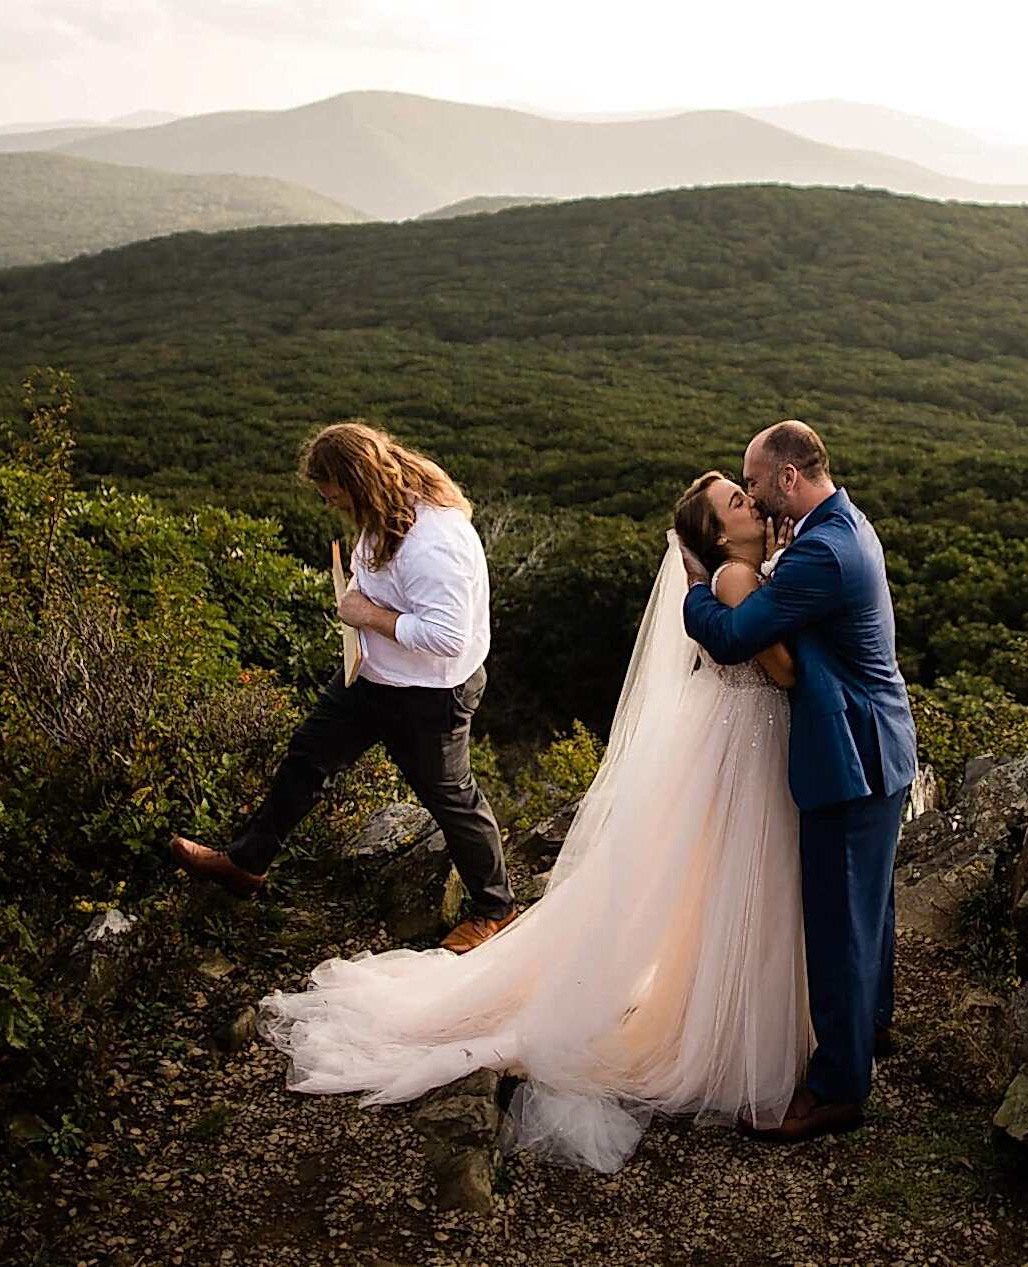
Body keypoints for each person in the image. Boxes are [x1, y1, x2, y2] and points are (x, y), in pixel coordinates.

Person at [252, 470, 808, 1171]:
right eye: (738, 500)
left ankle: (719, 1006)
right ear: (721, 535)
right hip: (742, 743)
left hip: (736, 738)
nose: (752, 502)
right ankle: (724, 1022)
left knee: (717, 883)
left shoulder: (739, 572)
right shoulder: (737, 581)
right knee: (736, 877)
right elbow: (785, 670)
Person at [170, 421, 520, 955]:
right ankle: (245, 864)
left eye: (329, 490)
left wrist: (364, 612)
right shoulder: (387, 510)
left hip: (429, 694)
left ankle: (496, 910)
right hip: (369, 676)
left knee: (450, 800)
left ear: (356, 481)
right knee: (308, 758)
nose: (326, 499)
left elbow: (446, 637)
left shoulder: (434, 542)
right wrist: (359, 592)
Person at [680, 419, 919, 1142]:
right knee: (868, 908)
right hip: (877, 745)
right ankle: (870, 1030)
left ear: (787, 477)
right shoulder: (843, 523)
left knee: (840, 924)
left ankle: (838, 1089)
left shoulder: (821, 553)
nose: (751, 493)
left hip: (850, 755)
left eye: (753, 482)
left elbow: (729, 635)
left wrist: (693, 588)